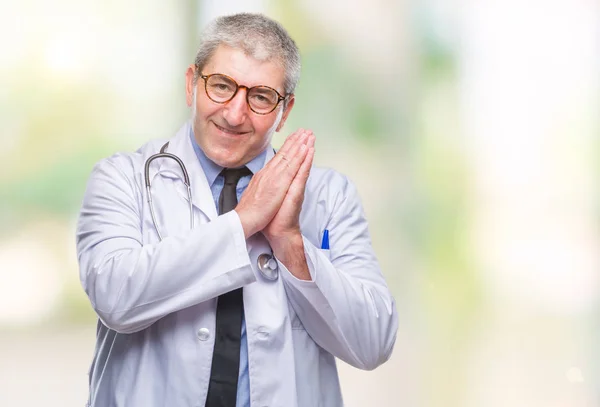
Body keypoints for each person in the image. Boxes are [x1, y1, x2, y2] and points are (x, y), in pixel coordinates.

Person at [76, 12, 398, 407]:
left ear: (285, 111)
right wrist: (245, 221)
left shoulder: (330, 196)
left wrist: (290, 243)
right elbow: (114, 297)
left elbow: (374, 342)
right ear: (192, 84)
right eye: (222, 86)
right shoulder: (121, 178)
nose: (234, 114)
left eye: (260, 97)